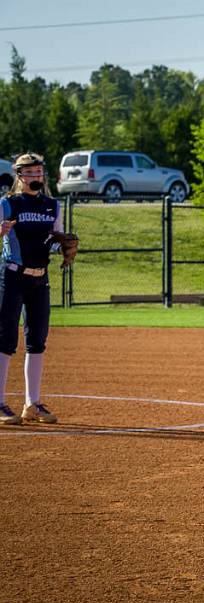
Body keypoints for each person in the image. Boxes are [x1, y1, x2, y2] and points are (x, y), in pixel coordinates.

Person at [0, 153, 72, 426]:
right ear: (19, 176)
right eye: (29, 172)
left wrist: (63, 247)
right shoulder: (8, 204)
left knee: (37, 341)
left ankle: (32, 403)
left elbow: (52, 241)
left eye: (39, 172)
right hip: (12, 276)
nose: (35, 176)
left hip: (39, 279)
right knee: (5, 339)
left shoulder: (52, 206)